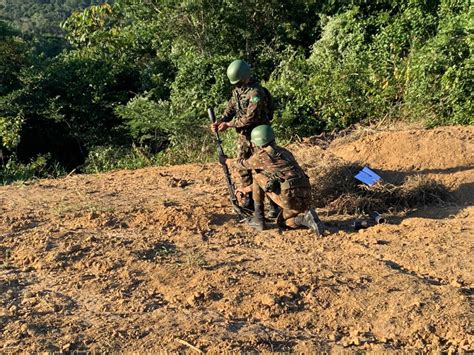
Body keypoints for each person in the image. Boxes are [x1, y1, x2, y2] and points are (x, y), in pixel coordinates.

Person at [219, 124, 326, 236]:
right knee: (285, 219)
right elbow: (272, 180)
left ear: (257, 142)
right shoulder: (284, 152)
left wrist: (225, 160)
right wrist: (246, 189)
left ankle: (259, 219)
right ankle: (306, 219)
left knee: (257, 177)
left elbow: (241, 165)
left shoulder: (262, 156)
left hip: (289, 195)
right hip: (306, 194)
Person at [211, 59, 279, 217]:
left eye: (239, 82)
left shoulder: (256, 94)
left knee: (265, 169)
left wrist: (229, 125)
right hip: (243, 136)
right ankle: (249, 201)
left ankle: (274, 205)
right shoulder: (238, 91)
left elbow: (251, 118)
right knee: (243, 167)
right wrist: (220, 121)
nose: (238, 85)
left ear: (245, 76)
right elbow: (230, 108)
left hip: (260, 136)